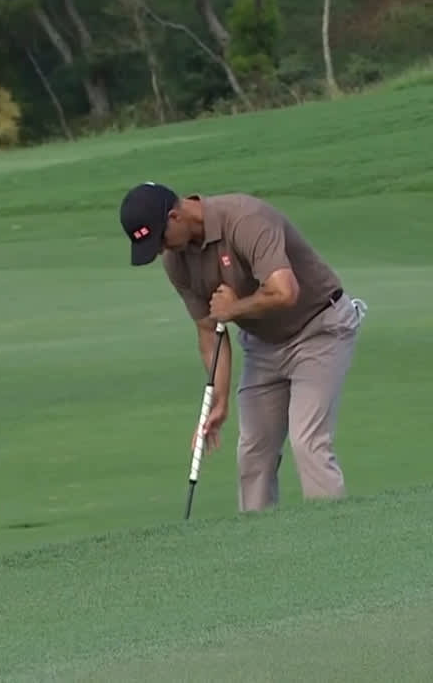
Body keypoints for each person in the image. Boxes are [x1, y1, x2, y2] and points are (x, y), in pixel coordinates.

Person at [119, 181, 367, 512]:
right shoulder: (176, 261)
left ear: (175, 217)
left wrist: (234, 308)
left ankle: (333, 535)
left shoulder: (244, 218)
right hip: (264, 345)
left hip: (319, 327)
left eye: (160, 240)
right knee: (253, 452)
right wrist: (219, 400)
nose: (162, 250)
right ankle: (257, 540)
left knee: (308, 442)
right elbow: (208, 330)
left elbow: (285, 291)